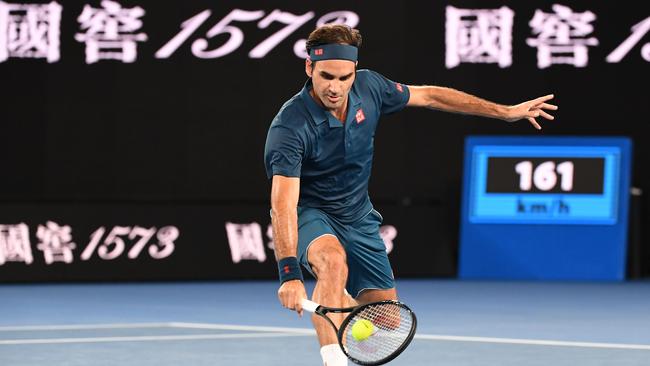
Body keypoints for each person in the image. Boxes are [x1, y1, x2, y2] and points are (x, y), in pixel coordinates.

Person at [264, 24, 557, 366]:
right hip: (310, 211)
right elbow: (282, 205)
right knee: (332, 262)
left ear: (354, 72)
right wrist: (289, 275)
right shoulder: (289, 127)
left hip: (358, 214)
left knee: (388, 320)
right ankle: (333, 359)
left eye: (345, 78)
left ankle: (338, 301)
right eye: (327, 76)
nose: (336, 87)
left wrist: (504, 112)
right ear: (309, 68)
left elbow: (430, 95)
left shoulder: (371, 87)